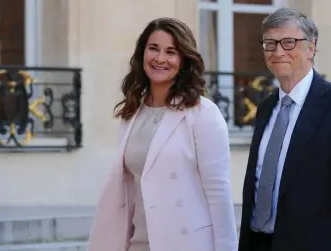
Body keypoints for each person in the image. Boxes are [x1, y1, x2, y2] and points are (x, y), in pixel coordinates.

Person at [87, 17, 238, 251]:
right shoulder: (132, 112)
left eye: (171, 52)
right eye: (153, 48)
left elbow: (219, 193)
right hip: (137, 244)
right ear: (142, 53)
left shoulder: (203, 114)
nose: (160, 59)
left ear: (184, 60)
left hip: (186, 243)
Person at [238, 7, 331, 251]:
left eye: (289, 42)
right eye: (270, 44)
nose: (278, 51)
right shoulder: (265, 109)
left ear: (311, 47)